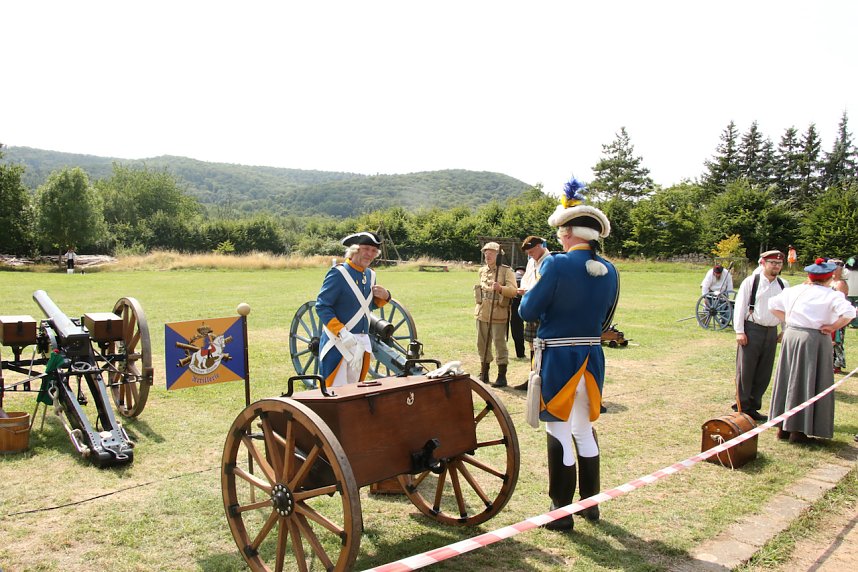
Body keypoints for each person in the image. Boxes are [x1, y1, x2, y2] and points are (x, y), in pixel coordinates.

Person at [519, 177, 619, 531]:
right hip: (592, 357)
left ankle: (559, 512)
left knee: (560, 430)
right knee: (583, 428)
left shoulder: (557, 265)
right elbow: (607, 317)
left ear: (570, 233)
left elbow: (527, 311)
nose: (560, 236)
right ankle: (590, 505)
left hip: (559, 358)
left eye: (563, 231)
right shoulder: (611, 270)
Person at [767, 258, 856, 443]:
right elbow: (850, 313)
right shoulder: (831, 295)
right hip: (813, 339)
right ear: (830, 277)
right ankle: (798, 431)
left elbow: (772, 305)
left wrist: (789, 319)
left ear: (809, 275)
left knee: (789, 378)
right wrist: (833, 327)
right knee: (806, 380)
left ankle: (783, 427)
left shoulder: (794, 290)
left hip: (791, 336)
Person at [315, 231, 392, 388]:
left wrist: (386, 296)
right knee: (335, 391)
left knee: (355, 391)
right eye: (366, 249)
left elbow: (363, 307)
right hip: (338, 342)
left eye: (373, 251)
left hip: (360, 345)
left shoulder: (370, 275)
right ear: (355, 249)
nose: (370, 254)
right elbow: (323, 306)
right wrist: (342, 332)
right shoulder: (338, 273)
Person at [731, 250, 788, 421]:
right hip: (752, 329)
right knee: (746, 370)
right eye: (772, 263)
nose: (776, 266)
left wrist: (784, 330)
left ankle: (754, 406)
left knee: (764, 371)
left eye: (778, 263)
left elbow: (786, 308)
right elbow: (740, 306)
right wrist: (739, 331)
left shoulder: (783, 284)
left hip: (771, 331)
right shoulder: (751, 281)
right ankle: (741, 407)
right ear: (763, 263)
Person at [474, 242, 517, 387]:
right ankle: (484, 372)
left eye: (491, 253)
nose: (488, 255)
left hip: (498, 313)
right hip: (482, 312)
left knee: (499, 344)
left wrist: (500, 288)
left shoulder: (506, 271)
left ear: (498, 255)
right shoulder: (482, 271)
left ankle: (501, 376)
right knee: (482, 343)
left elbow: (513, 291)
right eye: (486, 253)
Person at [513, 235, 551, 391]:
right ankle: (533, 377)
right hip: (530, 306)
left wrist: (528, 291)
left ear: (539, 246)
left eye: (531, 251)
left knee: (543, 346)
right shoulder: (531, 262)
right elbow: (527, 281)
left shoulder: (550, 262)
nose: (529, 254)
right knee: (531, 343)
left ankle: (544, 379)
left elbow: (544, 286)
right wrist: (523, 290)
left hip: (543, 309)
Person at [829, 259, 849, 374]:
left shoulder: (840, 283)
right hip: (829, 314)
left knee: (837, 339)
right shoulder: (829, 281)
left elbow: (842, 300)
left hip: (838, 315)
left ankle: (837, 364)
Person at [510, 266, 527, 359]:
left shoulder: (511, 276)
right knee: (518, 330)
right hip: (518, 303)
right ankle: (520, 353)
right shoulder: (524, 278)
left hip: (507, 302)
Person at [846, 255, 858, 328]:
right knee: (857, 308)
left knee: (847, 308)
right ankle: (856, 323)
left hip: (848, 291)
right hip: (857, 292)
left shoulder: (847, 271)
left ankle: (846, 322)